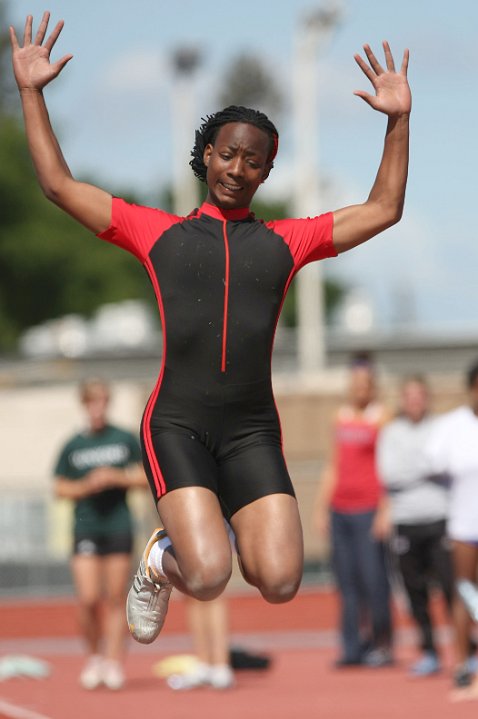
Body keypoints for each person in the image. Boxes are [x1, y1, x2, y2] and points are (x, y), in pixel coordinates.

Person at [10, 12, 411, 646]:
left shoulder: (287, 241)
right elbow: (59, 185)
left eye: (253, 161)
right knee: (207, 574)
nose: (237, 167)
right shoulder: (158, 233)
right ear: (206, 155)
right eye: (227, 153)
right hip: (177, 423)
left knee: (280, 581)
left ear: (266, 173)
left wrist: (397, 120)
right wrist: (32, 92)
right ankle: (160, 560)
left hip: (251, 429)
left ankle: (220, 529)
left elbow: (384, 208)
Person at [53, 378, 147, 690]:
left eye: (102, 401)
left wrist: (116, 477)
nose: (97, 407)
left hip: (118, 525)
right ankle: (94, 656)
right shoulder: (74, 444)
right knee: (88, 598)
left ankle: (113, 662)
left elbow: (146, 478)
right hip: (86, 527)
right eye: (92, 401)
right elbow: (59, 486)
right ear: (84, 404)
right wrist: (85, 485)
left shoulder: (123, 438)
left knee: (114, 598)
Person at [314, 356, 393, 667]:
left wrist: (385, 510)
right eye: (355, 383)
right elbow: (333, 465)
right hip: (341, 510)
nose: (360, 389)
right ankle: (351, 648)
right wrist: (322, 507)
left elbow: (389, 467)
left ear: (373, 386)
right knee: (346, 584)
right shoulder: (340, 417)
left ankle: (382, 644)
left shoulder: (381, 418)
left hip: (369, 509)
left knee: (374, 580)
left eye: (365, 384)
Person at [377, 375, 454, 677]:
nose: (414, 401)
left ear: (427, 397)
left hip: (440, 520)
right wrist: (426, 466)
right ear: (402, 399)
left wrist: (418, 466)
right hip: (406, 522)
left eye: (420, 395)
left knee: (452, 588)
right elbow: (390, 474)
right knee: (414, 592)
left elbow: (446, 465)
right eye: (409, 395)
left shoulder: (442, 428)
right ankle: (430, 651)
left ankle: (466, 650)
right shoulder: (391, 432)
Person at [424, 359, 478, 692]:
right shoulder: (452, 425)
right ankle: (461, 660)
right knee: (464, 592)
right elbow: (432, 464)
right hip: (464, 525)